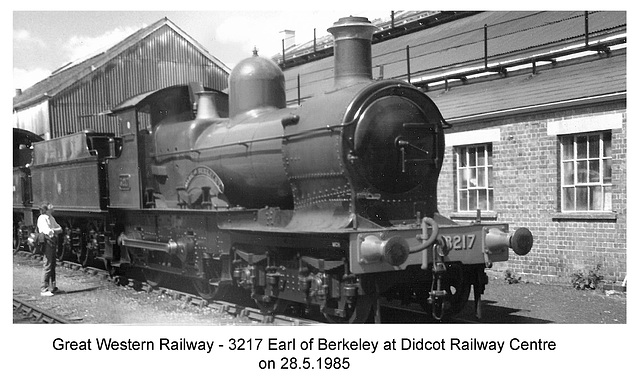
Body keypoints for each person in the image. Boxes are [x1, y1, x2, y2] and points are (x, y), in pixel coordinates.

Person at [37, 202, 62, 296]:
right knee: (47, 264)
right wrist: (55, 230)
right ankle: (43, 289)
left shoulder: (51, 218)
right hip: (47, 241)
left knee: (52, 264)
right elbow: (49, 232)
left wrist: (54, 230)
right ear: (46, 209)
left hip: (52, 241)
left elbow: (60, 228)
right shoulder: (42, 219)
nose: (53, 206)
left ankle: (53, 287)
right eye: (51, 206)